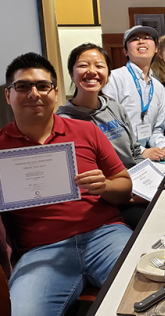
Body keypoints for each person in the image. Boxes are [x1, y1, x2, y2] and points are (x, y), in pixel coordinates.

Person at [0, 53, 133, 316]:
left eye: (42, 86)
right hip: (42, 252)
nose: (34, 93)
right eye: (23, 86)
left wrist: (105, 186)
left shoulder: (86, 130)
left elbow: (125, 186)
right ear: (8, 95)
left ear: (56, 92)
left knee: (154, 293)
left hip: (105, 235)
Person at [57, 43, 144, 169]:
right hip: (105, 186)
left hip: (135, 180)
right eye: (83, 65)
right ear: (71, 74)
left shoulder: (115, 108)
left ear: (108, 75)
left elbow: (135, 152)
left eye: (99, 66)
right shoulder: (64, 122)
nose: (92, 71)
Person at [102, 25, 165, 161]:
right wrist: (140, 152)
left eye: (147, 38)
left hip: (146, 157)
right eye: (134, 39)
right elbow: (108, 129)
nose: (141, 41)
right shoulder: (114, 79)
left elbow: (157, 130)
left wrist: (163, 145)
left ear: (156, 49)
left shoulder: (158, 87)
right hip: (119, 159)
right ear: (125, 51)